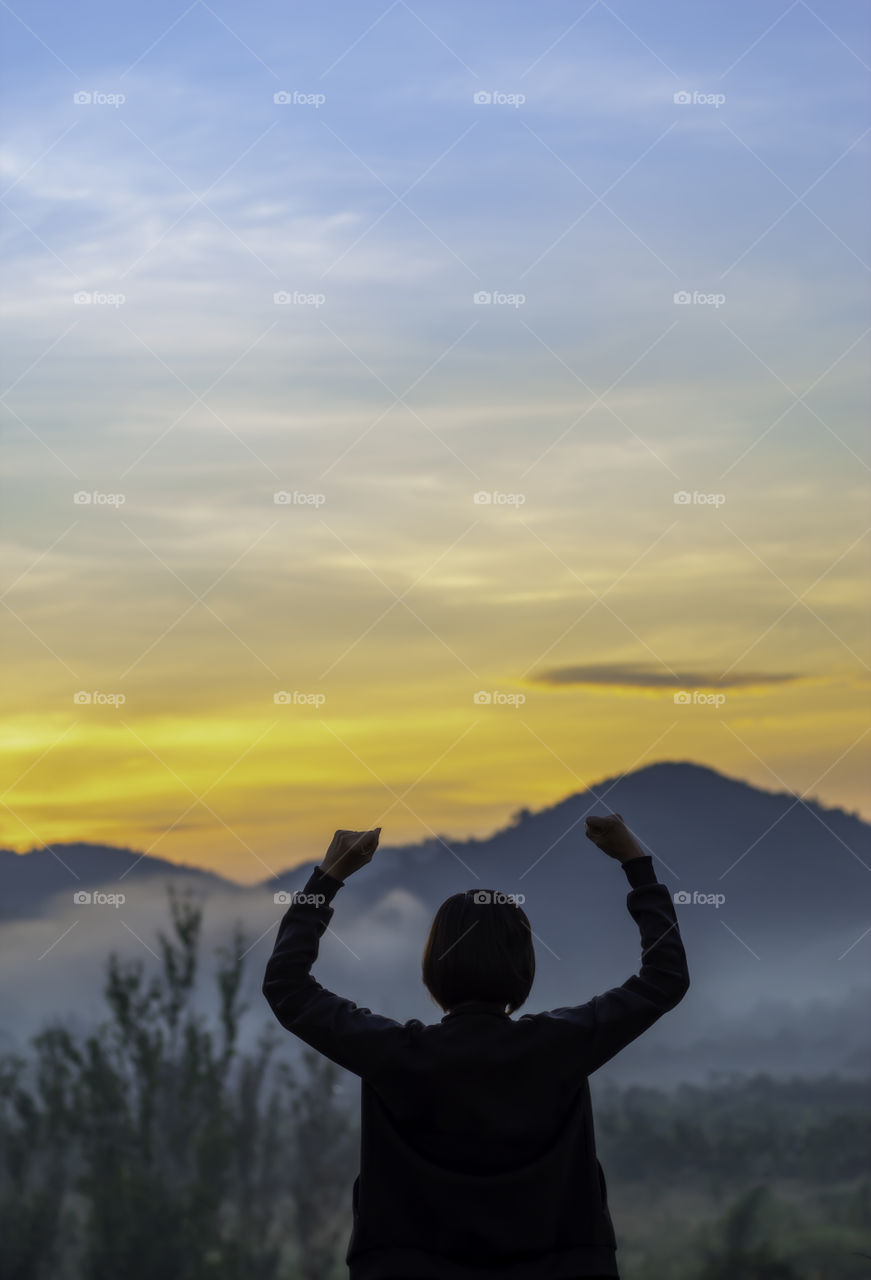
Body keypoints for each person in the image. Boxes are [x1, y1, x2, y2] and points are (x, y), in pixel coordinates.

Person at [262, 813, 689, 1279]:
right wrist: (636, 863)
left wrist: (328, 878)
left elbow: (287, 986)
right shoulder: (561, 1046)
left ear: (432, 968)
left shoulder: (392, 1053)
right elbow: (663, 980)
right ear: (523, 968)